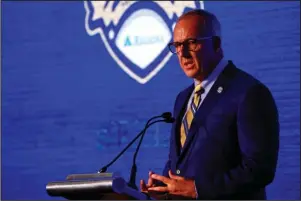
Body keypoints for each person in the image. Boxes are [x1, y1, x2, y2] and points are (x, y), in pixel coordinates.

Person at [140, 9, 279, 200]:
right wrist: (165, 186)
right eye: (178, 45)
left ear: (216, 44)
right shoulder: (183, 98)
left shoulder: (249, 93)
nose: (183, 54)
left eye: (192, 43)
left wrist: (197, 189)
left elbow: (259, 169)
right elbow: (180, 164)